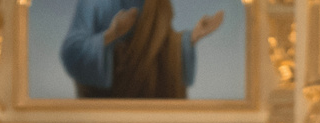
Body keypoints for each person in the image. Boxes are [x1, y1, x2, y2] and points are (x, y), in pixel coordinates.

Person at [61, 0, 225, 99]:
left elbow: (164, 44)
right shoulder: (93, 2)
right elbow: (72, 51)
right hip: (105, 110)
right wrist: (111, 34)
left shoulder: (156, 3)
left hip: (150, 111)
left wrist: (193, 37)